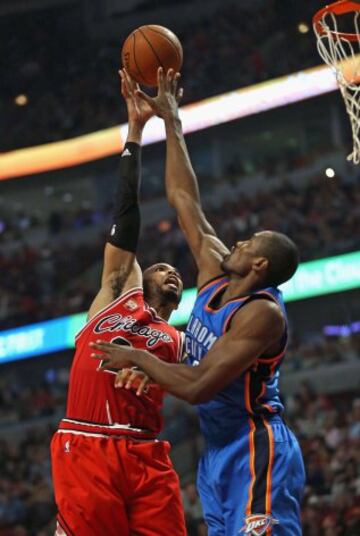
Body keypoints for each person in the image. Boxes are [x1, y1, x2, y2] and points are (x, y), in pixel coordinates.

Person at [90, 68, 306, 536]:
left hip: (255, 445)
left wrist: (137, 356)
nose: (239, 242)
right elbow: (184, 196)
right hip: (216, 455)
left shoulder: (262, 315)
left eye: (249, 243)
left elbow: (199, 387)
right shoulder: (213, 271)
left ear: (259, 267)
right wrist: (171, 120)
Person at [51, 69, 187, 536]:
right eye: (164, 266)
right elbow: (125, 217)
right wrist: (136, 130)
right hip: (88, 443)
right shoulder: (115, 294)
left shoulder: (178, 338)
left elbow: (196, 384)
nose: (173, 271)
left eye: (179, 277)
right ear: (139, 274)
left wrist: (146, 365)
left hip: (147, 453)